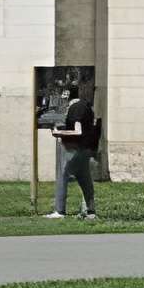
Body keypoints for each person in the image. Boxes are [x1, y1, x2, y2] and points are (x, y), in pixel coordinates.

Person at [50, 84, 103, 220]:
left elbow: (77, 131)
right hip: (85, 149)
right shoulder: (87, 108)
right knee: (85, 180)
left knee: (63, 176)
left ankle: (60, 211)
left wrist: (58, 132)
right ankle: (91, 211)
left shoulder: (76, 108)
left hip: (74, 148)